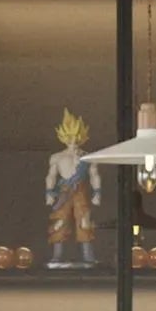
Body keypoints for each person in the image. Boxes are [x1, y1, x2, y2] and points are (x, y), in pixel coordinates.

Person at [45, 110, 102, 270]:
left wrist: (97, 192)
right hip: (64, 190)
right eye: (70, 136)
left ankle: (88, 256)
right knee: (60, 220)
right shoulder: (57, 157)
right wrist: (49, 193)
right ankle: (57, 255)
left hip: (81, 190)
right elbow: (51, 176)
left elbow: (94, 175)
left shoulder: (87, 157)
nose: (73, 140)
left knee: (84, 220)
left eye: (77, 136)